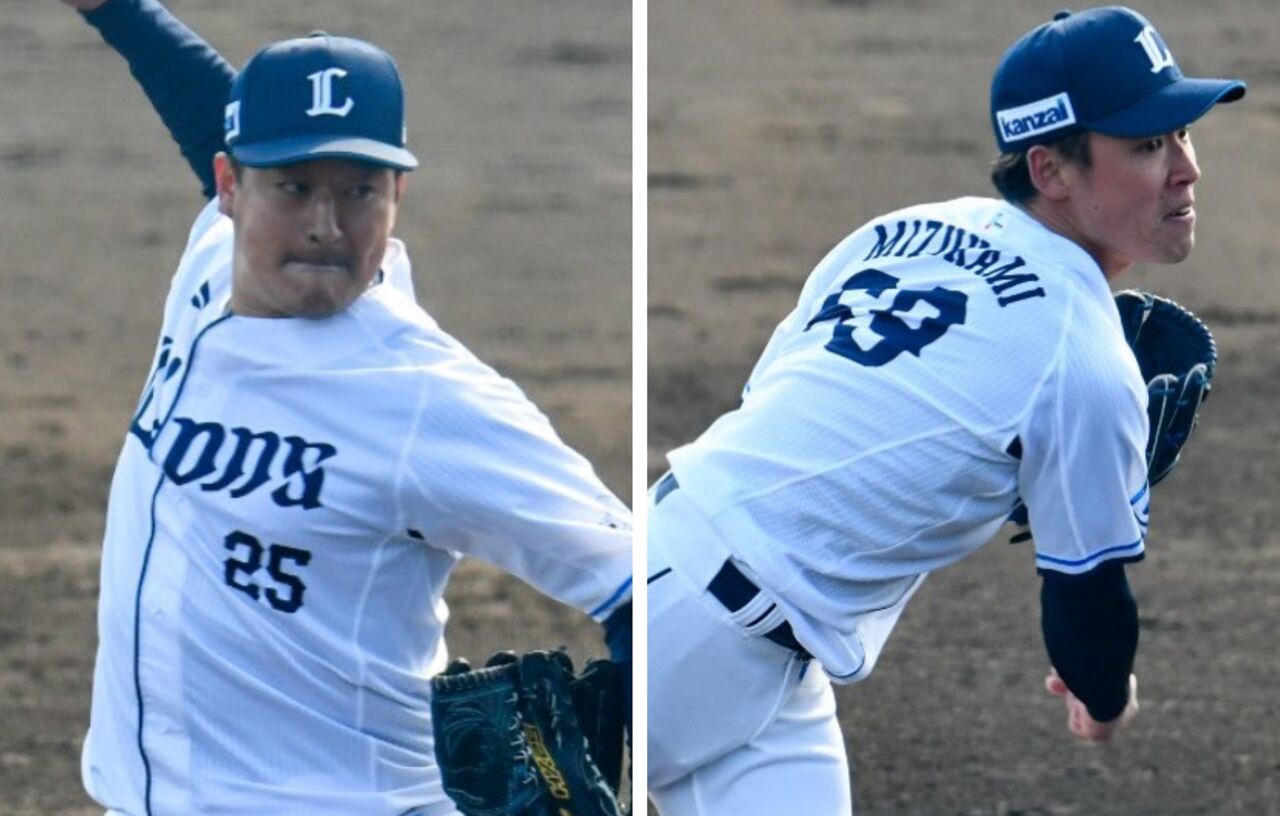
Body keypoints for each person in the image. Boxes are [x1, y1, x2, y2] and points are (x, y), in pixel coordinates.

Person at [646, 6, 1243, 814]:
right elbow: (1088, 602)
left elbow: (778, 397)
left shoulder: (902, 229)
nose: (1185, 169)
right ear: (1051, 170)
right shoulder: (1083, 362)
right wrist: (1105, 699)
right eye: (1146, 145)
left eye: (1182, 133)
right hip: (693, 638)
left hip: (726, 606)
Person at [61, 1, 633, 814]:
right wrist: (120, 11)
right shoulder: (212, 268)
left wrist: (667, 752)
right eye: (293, 188)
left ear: (397, 194)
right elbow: (206, 108)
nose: (324, 227)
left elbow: (640, 581)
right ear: (229, 188)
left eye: (359, 191)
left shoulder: (425, 395)